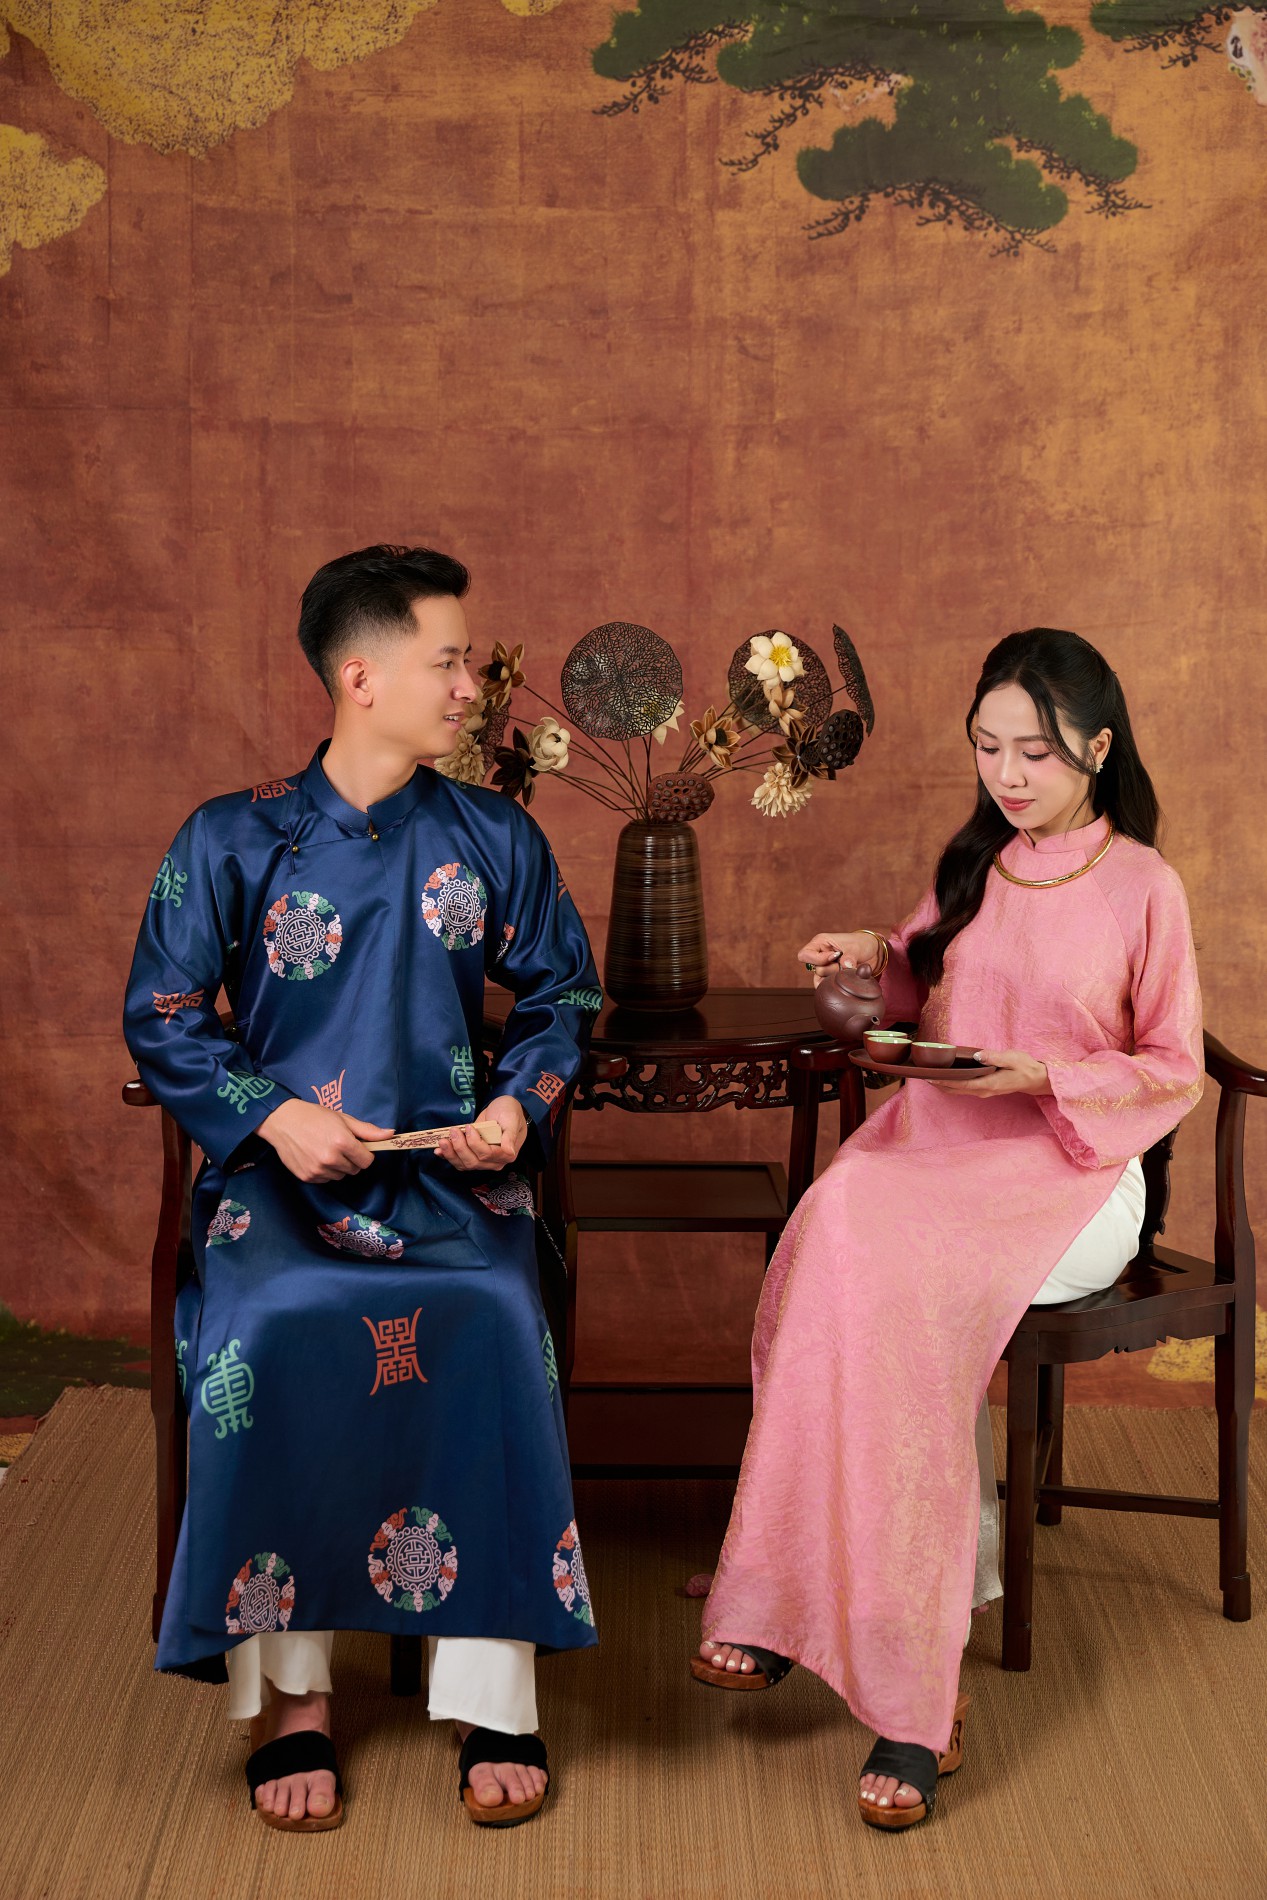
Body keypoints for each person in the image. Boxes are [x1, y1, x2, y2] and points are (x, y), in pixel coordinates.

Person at [692, 628, 1203, 1830]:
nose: (1008, 775)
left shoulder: (1144, 884)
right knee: (832, 1226)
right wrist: (871, 956)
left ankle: (918, 1693)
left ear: (1098, 748)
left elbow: (1172, 1065)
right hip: (937, 1148)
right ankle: (782, 1595)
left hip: (1074, 1169)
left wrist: (1047, 1074)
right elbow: (924, 995)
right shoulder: (976, 860)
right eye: (988, 748)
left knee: (906, 1284)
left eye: (1035, 751)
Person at [125, 545, 602, 1831]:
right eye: (449, 661)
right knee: (270, 1323)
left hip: (451, 1190)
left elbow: (564, 993)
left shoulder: (494, 834)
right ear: (361, 677)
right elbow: (163, 1013)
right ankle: (296, 1701)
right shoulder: (231, 836)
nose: (471, 687)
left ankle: (493, 1694)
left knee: (496, 1315)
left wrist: (515, 1107)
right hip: (277, 1191)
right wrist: (275, 1117)